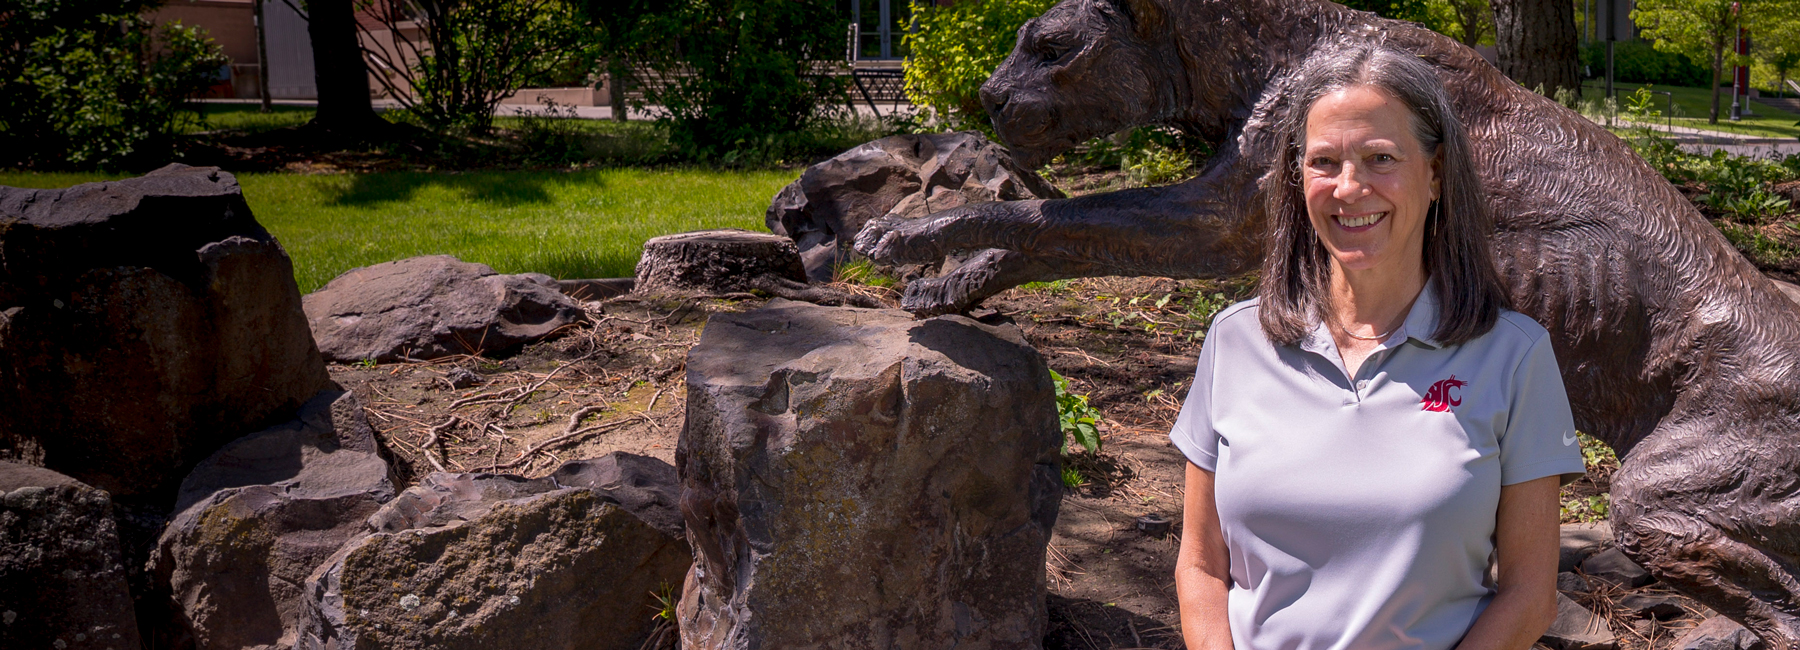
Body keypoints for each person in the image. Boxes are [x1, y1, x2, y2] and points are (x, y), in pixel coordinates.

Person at [1169, 41, 1586, 650]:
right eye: (1324, 162)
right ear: (1297, 177)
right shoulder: (1235, 341)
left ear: (1436, 173)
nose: (1349, 187)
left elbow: (1529, 596)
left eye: (1380, 158)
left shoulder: (1514, 357)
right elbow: (1201, 567)